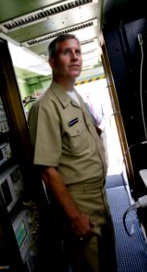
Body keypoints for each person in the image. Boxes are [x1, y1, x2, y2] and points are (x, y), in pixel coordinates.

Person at [28, 34, 117, 272]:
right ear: (53, 62)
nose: (75, 57)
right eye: (67, 52)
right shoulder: (46, 107)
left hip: (100, 196)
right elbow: (47, 170)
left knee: (108, 260)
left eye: (78, 52)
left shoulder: (76, 96)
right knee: (91, 266)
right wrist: (75, 216)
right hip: (79, 201)